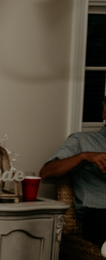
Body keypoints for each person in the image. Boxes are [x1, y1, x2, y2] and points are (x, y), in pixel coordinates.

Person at [39, 96, 106, 249]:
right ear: (104, 114)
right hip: (99, 216)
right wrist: (84, 156)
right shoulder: (82, 140)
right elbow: (46, 173)